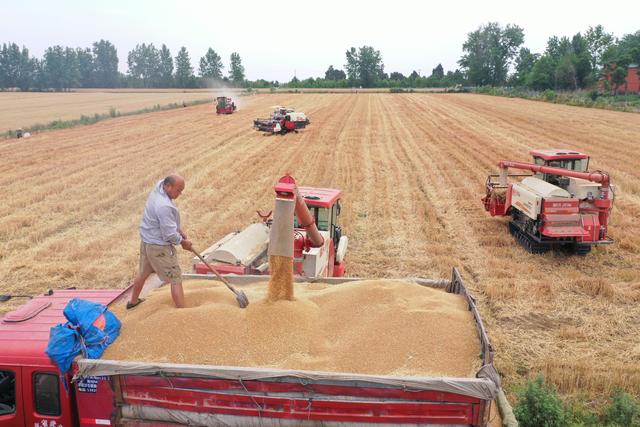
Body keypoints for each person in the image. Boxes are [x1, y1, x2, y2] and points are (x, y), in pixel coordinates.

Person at [127, 175, 192, 309]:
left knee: (143, 272)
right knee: (175, 277)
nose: (180, 193)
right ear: (168, 186)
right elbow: (169, 235)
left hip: (147, 241)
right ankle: (183, 312)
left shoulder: (159, 186)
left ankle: (132, 302)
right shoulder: (163, 206)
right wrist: (182, 242)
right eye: (178, 190)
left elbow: (167, 224)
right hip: (158, 247)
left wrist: (177, 229)